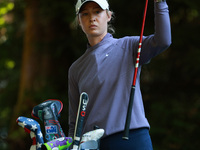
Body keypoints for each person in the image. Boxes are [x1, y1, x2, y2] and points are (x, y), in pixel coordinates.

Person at [68, 0, 171, 149]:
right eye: (85, 14)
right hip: (94, 145)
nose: (92, 18)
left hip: (133, 138)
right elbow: (75, 122)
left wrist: (160, 2)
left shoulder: (128, 46)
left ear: (109, 15)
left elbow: (163, 41)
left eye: (97, 12)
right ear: (79, 20)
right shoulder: (75, 69)